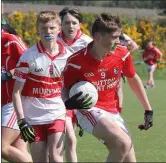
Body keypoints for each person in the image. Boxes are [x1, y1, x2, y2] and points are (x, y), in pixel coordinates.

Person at [62, 13, 153, 162]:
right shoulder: (76, 61)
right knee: (123, 143)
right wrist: (67, 102)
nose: (118, 41)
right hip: (89, 110)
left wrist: (148, 109)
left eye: (119, 37)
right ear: (98, 37)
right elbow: (64, 88)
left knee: (129, 158)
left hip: (112, 111)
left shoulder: (122, 54)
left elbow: (133, 79)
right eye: (114, 37)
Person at [12, 11, 72, 162]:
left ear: (59, 29)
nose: (48, 32)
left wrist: (75, 111)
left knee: (56, 158)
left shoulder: (68, 56)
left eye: (52, 28)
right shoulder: (27, 56)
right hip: (33, 118)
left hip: (56, 114)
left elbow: (70, 87)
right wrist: (21, 120)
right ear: (38, 29)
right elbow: (16, 93)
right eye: (44, 28)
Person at [58, 7, 92, 162]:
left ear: (80, 24)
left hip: (77, 93)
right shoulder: (53, 40)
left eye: (74, 23)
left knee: (67, 141)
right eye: (66, 23)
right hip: (56, 94)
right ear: (61, 24)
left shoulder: (88, 43)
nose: (70, 26)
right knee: (68, 138)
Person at [1, 22, 32, 162]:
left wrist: (7, 74)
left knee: (2, 147)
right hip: (4, 105)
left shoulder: (9, 40)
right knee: (19, 150)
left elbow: (30, 62)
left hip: (13, 103)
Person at [116, 33, 139, 113]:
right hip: (108, 60)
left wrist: (127, 53)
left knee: (118, 87)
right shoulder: (109, 33)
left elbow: (135, 46)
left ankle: (119, 108)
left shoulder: (125, 38)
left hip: (119, 62)